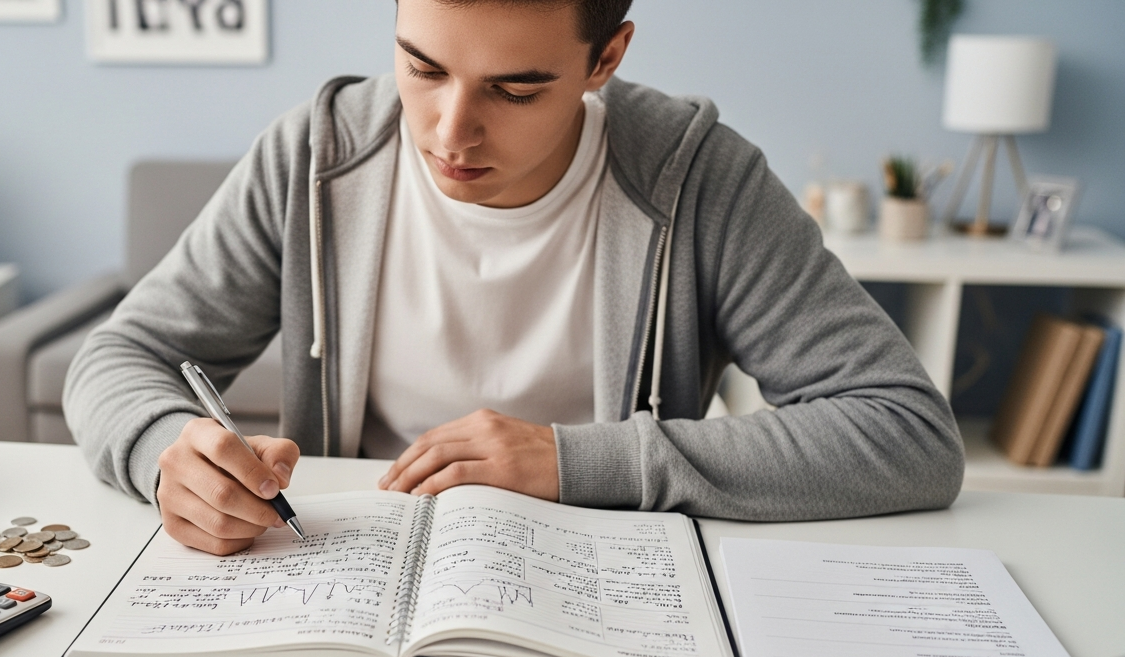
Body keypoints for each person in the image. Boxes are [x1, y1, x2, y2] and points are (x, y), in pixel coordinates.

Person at [64, 0, 964, 556]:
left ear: (605, 58)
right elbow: (125, 354)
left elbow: (907, 434)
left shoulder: (703, 180)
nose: (451, 133)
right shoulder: (315, 154)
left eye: (516, 90)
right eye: (422, 67)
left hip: (607, 581)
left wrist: (575, 460)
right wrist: (163, 452)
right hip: (345, 575)